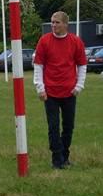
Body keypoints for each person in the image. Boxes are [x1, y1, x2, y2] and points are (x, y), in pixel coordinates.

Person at [33, 11, 87, 170]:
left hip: (70, 92)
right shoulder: (44, 41)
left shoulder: (75, 42)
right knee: (53, 126)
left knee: (69, 126)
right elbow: (38, 65)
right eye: (52, 22)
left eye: (57, 22)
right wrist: (40, 88)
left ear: (65, 24)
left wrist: (79, 86)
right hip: (50, 92)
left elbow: (82, 65)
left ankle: (65, 156)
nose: (53, 25)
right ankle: (56, 158)